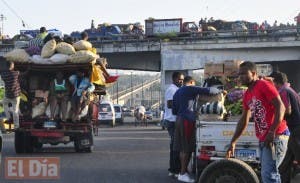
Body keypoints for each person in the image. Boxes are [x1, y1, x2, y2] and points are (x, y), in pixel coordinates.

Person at [226, 62, 289, 183]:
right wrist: (233, 141)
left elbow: (281, 107)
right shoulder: (247, 94)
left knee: (269, 176)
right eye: (239, 74)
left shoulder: (263, 85)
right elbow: (243, 120)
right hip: (264, 138)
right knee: (269, 175)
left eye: (244, 73)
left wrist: (272, 132)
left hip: (276, 136)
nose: (241, 77)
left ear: (254, 73)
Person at [173, 76, 220, 183]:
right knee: (187, 149)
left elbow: (174, 110)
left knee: (182, 148)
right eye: (194, 83)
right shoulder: (189, 88)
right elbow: (210, 91)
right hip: (187, 121)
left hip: (179, 119)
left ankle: (183, 171)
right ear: (191, 82)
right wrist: (220, 90)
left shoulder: (177, 92)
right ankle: (183, 173)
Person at [269, 72, 300, 183]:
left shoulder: (283, 91)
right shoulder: (290, 90)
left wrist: (276, 113)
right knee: (284, 165)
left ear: (275, 82)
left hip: (296, 130)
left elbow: (287, 109)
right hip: (293, 131)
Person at [164, 71, 184, 178]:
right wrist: (183, 107)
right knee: (175, 147)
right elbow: (170, 104)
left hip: (175, 121)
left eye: (182, 79)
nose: (181, 81)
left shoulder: (177, 89)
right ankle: (174, 170)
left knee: (175, 146)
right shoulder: (172, 89)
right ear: (174, 79)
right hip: (172, 121)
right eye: (180, 79)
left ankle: (174, 169)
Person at [0, 60, 21, 129]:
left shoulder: (4, 75)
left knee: (4, 103)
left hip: (8, 95)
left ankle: (9, 117)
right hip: (16, 95)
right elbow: (23, 74)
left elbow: (3, 75)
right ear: (12, 66)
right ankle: (16, 126)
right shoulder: (15, 73)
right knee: (15, 111)